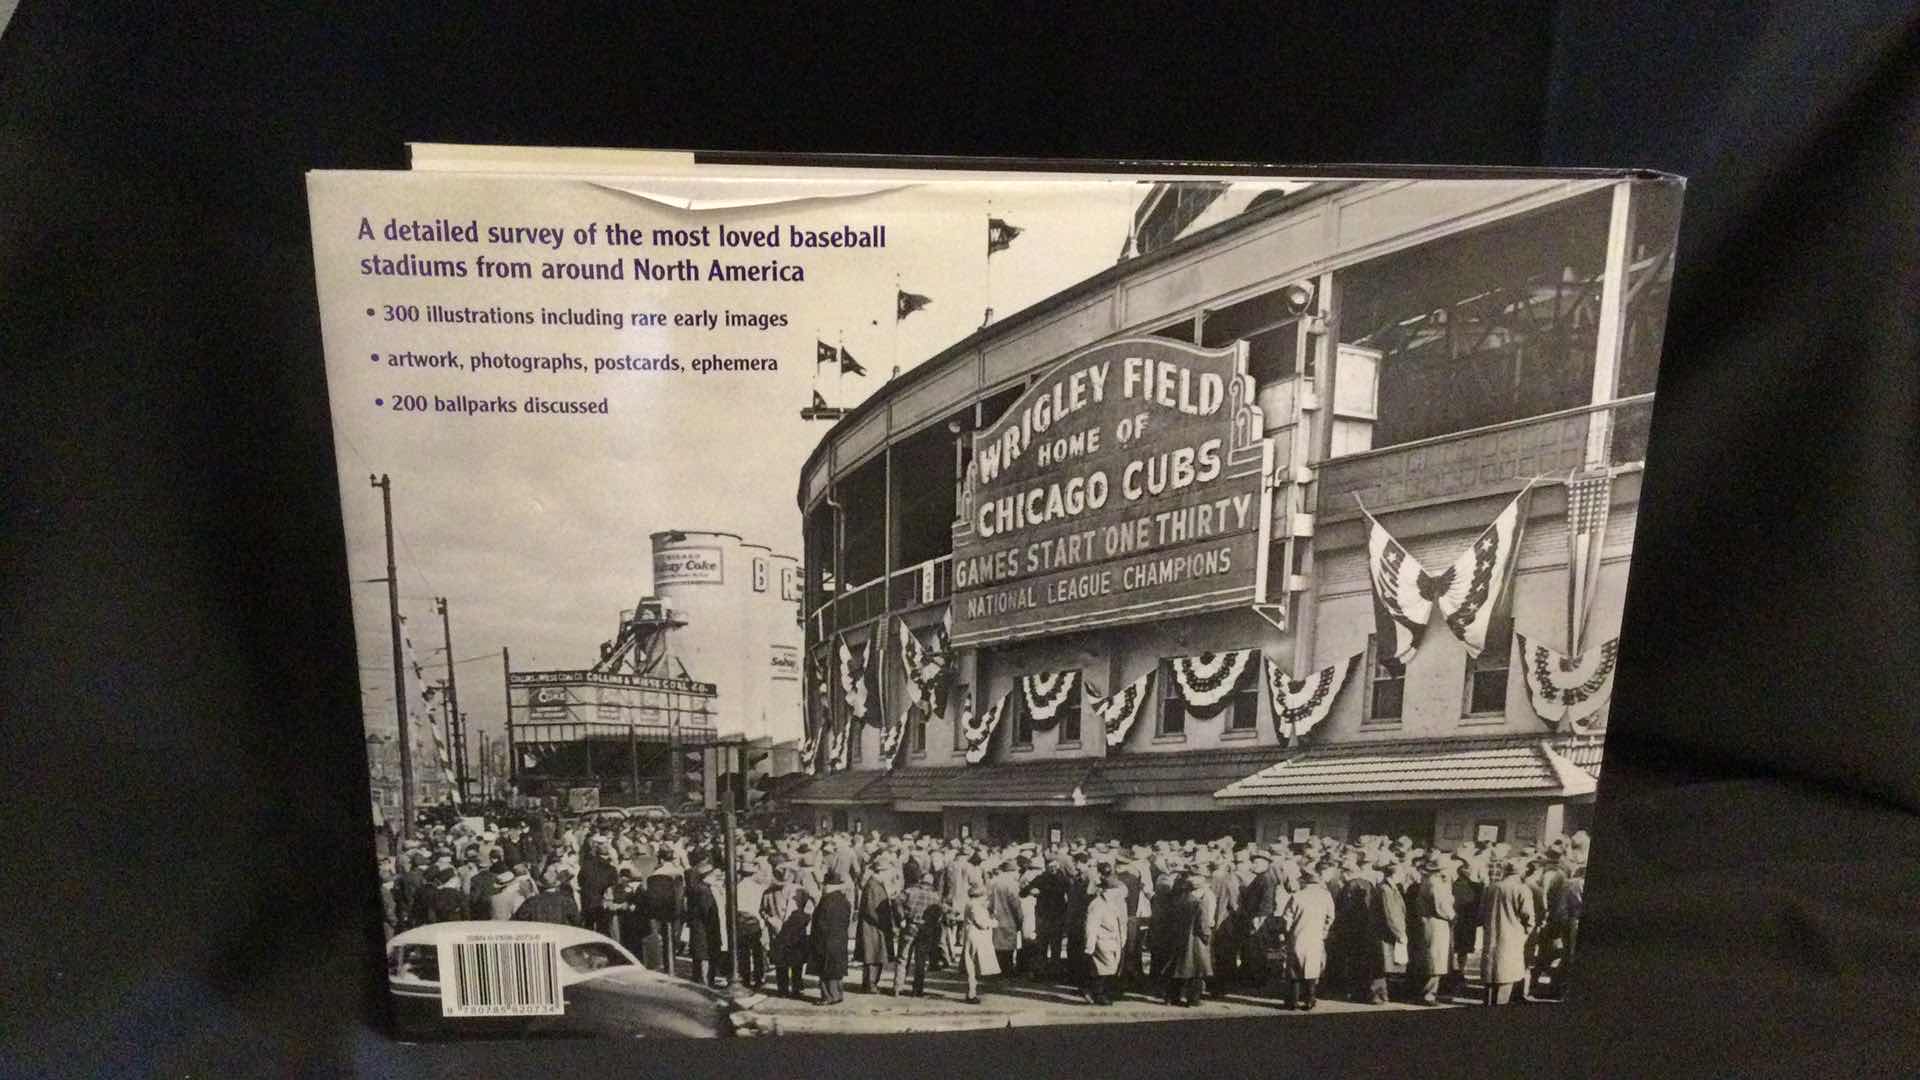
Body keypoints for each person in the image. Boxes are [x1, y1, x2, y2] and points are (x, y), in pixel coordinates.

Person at [1481, 857, 1538, 1004]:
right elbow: (1529, 919)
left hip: (1491, 937)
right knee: (1506, 977)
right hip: (1512, 939)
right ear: (1520, 872)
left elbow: (1481, 914)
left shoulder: (1491, 888)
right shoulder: (1522, 889)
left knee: (1490, 976)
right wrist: (1524, 935)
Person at [1280, 864, 1336, 1010]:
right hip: (1315, 937)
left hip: (1297, 936)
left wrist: (1286, 933)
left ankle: (1292, 1001)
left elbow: (1287, 919)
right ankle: (1310, 999)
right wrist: (1324, 931)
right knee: (1312, 968)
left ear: (1305, 881)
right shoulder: (1326, 896)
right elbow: (1330, 917)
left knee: (1294, 969)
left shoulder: (1297, 896)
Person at [893, 861, 943, 997]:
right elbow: (939, 914)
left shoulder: (910, 891)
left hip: (910, 926)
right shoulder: (935, 897)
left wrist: (902, 917)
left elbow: (896, 901)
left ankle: (897, 987)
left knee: (903, 958)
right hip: (925, 929)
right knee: (920, 961)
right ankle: (917, 989)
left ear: (921, 880)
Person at [1414, 855, 1457, 1004]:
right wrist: (1452, 916)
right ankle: (1429, 994)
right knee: (1435, 959)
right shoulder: (1436, 884)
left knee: (1433, 958)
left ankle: (1431, 991)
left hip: (1431, 922)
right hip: (1436, 923)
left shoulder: (1429, 881)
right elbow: (1441, 906)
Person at [765, 868, 813, 999]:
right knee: (781, 962)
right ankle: (783, 990)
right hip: (778, 932)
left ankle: (796, 987)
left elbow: (809, 909)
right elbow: (763, 910)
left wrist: (802, 922)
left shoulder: (801, 891)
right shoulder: (769, 892)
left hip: (795, 931)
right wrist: (770, 920)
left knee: (796, 961)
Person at [1083, 874, 1129, 1005]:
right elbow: (1091, 927)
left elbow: (1121, 923)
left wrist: (1123, 939)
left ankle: (1096, 992)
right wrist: (1089, 946)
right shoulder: (1097, 904)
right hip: (1102, 941)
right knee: (1104, 968)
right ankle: (1097, 994)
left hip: (1113, 940)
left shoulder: (1116, 903)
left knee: (1110, 968)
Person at [1367, 862, 1409, 1004]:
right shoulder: (1386, 890)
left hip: (1385, 932)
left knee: (1383, 964)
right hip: (1384, 933)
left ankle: (1382, 994)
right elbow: (1390, 914)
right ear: (1395, 874)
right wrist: (1399, 933)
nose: (1403, 875)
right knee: (1381, 964)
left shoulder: (1389, 888)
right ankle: (1377, 994)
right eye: (1401, 873)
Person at [810, 868, 852, 1005]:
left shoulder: (826, 900)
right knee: (837, 969)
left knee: (825, 969)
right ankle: (838, 994)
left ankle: (828, 997)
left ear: (828, 886)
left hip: (825, 939)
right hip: (840, 938)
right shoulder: (844, 900)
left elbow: (820, 922)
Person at [855, 855, 895, 993]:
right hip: (873, 927)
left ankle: (870, 984)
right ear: (881, 871)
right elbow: (871, 909)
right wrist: (885, 923)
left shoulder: (875, 884)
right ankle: (870, 985)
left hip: (874, 926)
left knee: (876, 955)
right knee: (873, 956)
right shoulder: (873, 886)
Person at [644, 846, 685, 974]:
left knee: (661, 940)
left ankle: (664, 966)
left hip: (657, 912)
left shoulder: (653, 874)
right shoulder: (678, 872)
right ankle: (670, 967)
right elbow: (680, 895)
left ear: (660, 859)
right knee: (672, 940)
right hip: (674, 911)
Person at [960, 881, 1001, 1004]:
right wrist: (994, 923)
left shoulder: (970, 904)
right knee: (973, 965)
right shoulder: (976, 906)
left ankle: (971, 991)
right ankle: (971, 993)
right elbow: (981, 924)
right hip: (977, 937)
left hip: (971, 935)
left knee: (971, 965)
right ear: (980, 895)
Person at [735, 860, 770, 990]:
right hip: (755, 922)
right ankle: (759, 978)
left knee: (743, 952)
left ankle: (745, 979)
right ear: (753, 874)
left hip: (741, 921)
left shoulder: (736, 887)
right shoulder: (758, 888)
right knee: (758, 952)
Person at [987, 856, 1025, 977]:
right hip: (1009, 918)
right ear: (1012, 871)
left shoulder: (994, 882)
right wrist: (1020, 919)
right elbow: (1015, 904)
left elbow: (989, 902)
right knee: (1008, 946)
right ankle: (1007, 970)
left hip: (996, 917)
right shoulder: (1012, 884)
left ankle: (997, 968)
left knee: (997, 945)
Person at [513, 867, 581, 925]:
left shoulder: (531, 901)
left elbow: (516, 922)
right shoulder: (567, 901)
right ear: (557, 885)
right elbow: (577, 922)